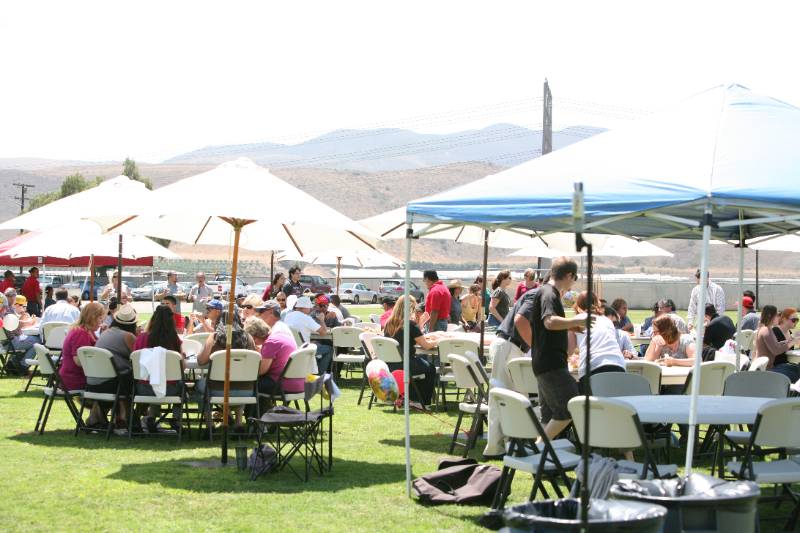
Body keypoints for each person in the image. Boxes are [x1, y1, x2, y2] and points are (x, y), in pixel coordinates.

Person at [530, 257, 585, 440]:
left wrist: (570, 326)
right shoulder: (549, 293)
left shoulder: (545, 292)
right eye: (574, 278)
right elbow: (549, 322)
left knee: (549, 416)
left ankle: (540, 460)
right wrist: (576, 320)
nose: (573, 282)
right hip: (551, 364)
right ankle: (538, 450)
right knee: (570, 408)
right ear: (569, 275)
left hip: (544, 363)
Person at [383, 295, 438, 407]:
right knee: (430, 368)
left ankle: (410, 397)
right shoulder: (409, 325)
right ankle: (421, 401)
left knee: (421, 367)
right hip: (406, 364)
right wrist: (437, 341)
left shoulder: (389, 323)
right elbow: (426, 346)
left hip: (389, 365)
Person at [58, 302, 106, 425]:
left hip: (70, 376)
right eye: (100, 318)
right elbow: (78, 361)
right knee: (113, 386)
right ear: (93, 317)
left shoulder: (83, 330)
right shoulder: (81, 333)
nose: (101, 322)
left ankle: (97, 418)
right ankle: (98, 419)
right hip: (74, 378)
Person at [569, 292, 626, 390]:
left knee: (591, 404)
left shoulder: (576, 320)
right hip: (618, 364)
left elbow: (570, 350)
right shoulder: (607, 321)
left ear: (578, 306)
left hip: (592, 367)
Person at [94, 304, 138, 429]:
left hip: (94, 381)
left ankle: (99, 416)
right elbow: (137, 358)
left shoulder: (106, 332)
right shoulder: (128, 336)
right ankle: (124, 418)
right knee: (134, 380)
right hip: (113, 383)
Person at [256, 315, 301, 397]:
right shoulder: (283, 336)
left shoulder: (271, 342)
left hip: (283, 385)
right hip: (299, 383)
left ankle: (257, 410)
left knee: (248, 384)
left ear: (254, 338)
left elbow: (261, 371)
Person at [284, 296, 331, 373]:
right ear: (305, 308)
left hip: (290, 347)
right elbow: (323, 333)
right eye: (309, 307)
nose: (310, 309)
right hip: (304, 349)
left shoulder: (288, 316)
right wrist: (322, 320)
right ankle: (321, 374)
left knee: (316, 344)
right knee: (329, 349)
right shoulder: (306, 318)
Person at [754, 306, 800, 382]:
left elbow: (776, 344)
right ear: (770, 316)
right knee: (797, 372)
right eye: (777, 315)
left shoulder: (767, 329)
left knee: (797, 368)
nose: (779, 317)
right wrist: (792, 342)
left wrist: (789, 340)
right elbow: (776, 350)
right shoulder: (766, 331)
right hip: (767, 370)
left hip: (769, 368)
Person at [7, 295, 41, 373]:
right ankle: (23, 366)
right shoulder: (10, 313)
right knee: (37, 342)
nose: (25, 308)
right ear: (16, 304)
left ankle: (13, 362)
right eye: (23, 306)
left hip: (7, 342)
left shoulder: (8, 312)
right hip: (11, 343)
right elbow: (19, 325)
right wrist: (28, 321)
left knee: (30, 340)